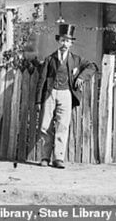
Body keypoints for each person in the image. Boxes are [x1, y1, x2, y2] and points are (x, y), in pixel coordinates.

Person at [35, 24, 97, 168]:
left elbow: (92, 66)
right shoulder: (50, 59)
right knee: (45, 126)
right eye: (62, 40)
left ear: (71, 43)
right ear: (58, 41)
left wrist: (81, 77)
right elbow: (41, 80)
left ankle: (58, 158)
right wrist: (38, 100)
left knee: (62, 125)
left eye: (67, 41)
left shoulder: (76, 59)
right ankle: (45, 157)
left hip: (66, 94)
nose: (64, 43)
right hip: (50, 94)